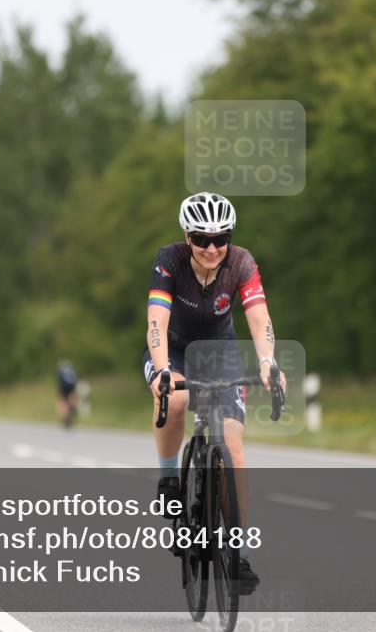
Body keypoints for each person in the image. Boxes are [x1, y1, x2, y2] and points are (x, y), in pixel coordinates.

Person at [144, 191, 285, 592]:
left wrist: (267, 361)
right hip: (172, 349)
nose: (211, 248)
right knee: (175, 398)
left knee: (234, 447)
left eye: (220, 238)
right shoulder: (169, 260)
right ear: (186, 236)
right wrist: (161, 369)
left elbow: (259, 317)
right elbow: (156, 320)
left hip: (220, 351)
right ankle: (169, 478)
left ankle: (238, 553)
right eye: (201, 239)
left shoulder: (241, 262)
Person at [56, 360, 79, 428]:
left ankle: (65, 417)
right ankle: (72, 408)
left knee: (63, 402)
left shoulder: (61, 372)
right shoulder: (73, 371)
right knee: (71, 400)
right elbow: (76, 380)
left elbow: (59, 382)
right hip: (72, 388)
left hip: (63, 388)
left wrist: (59, 392)